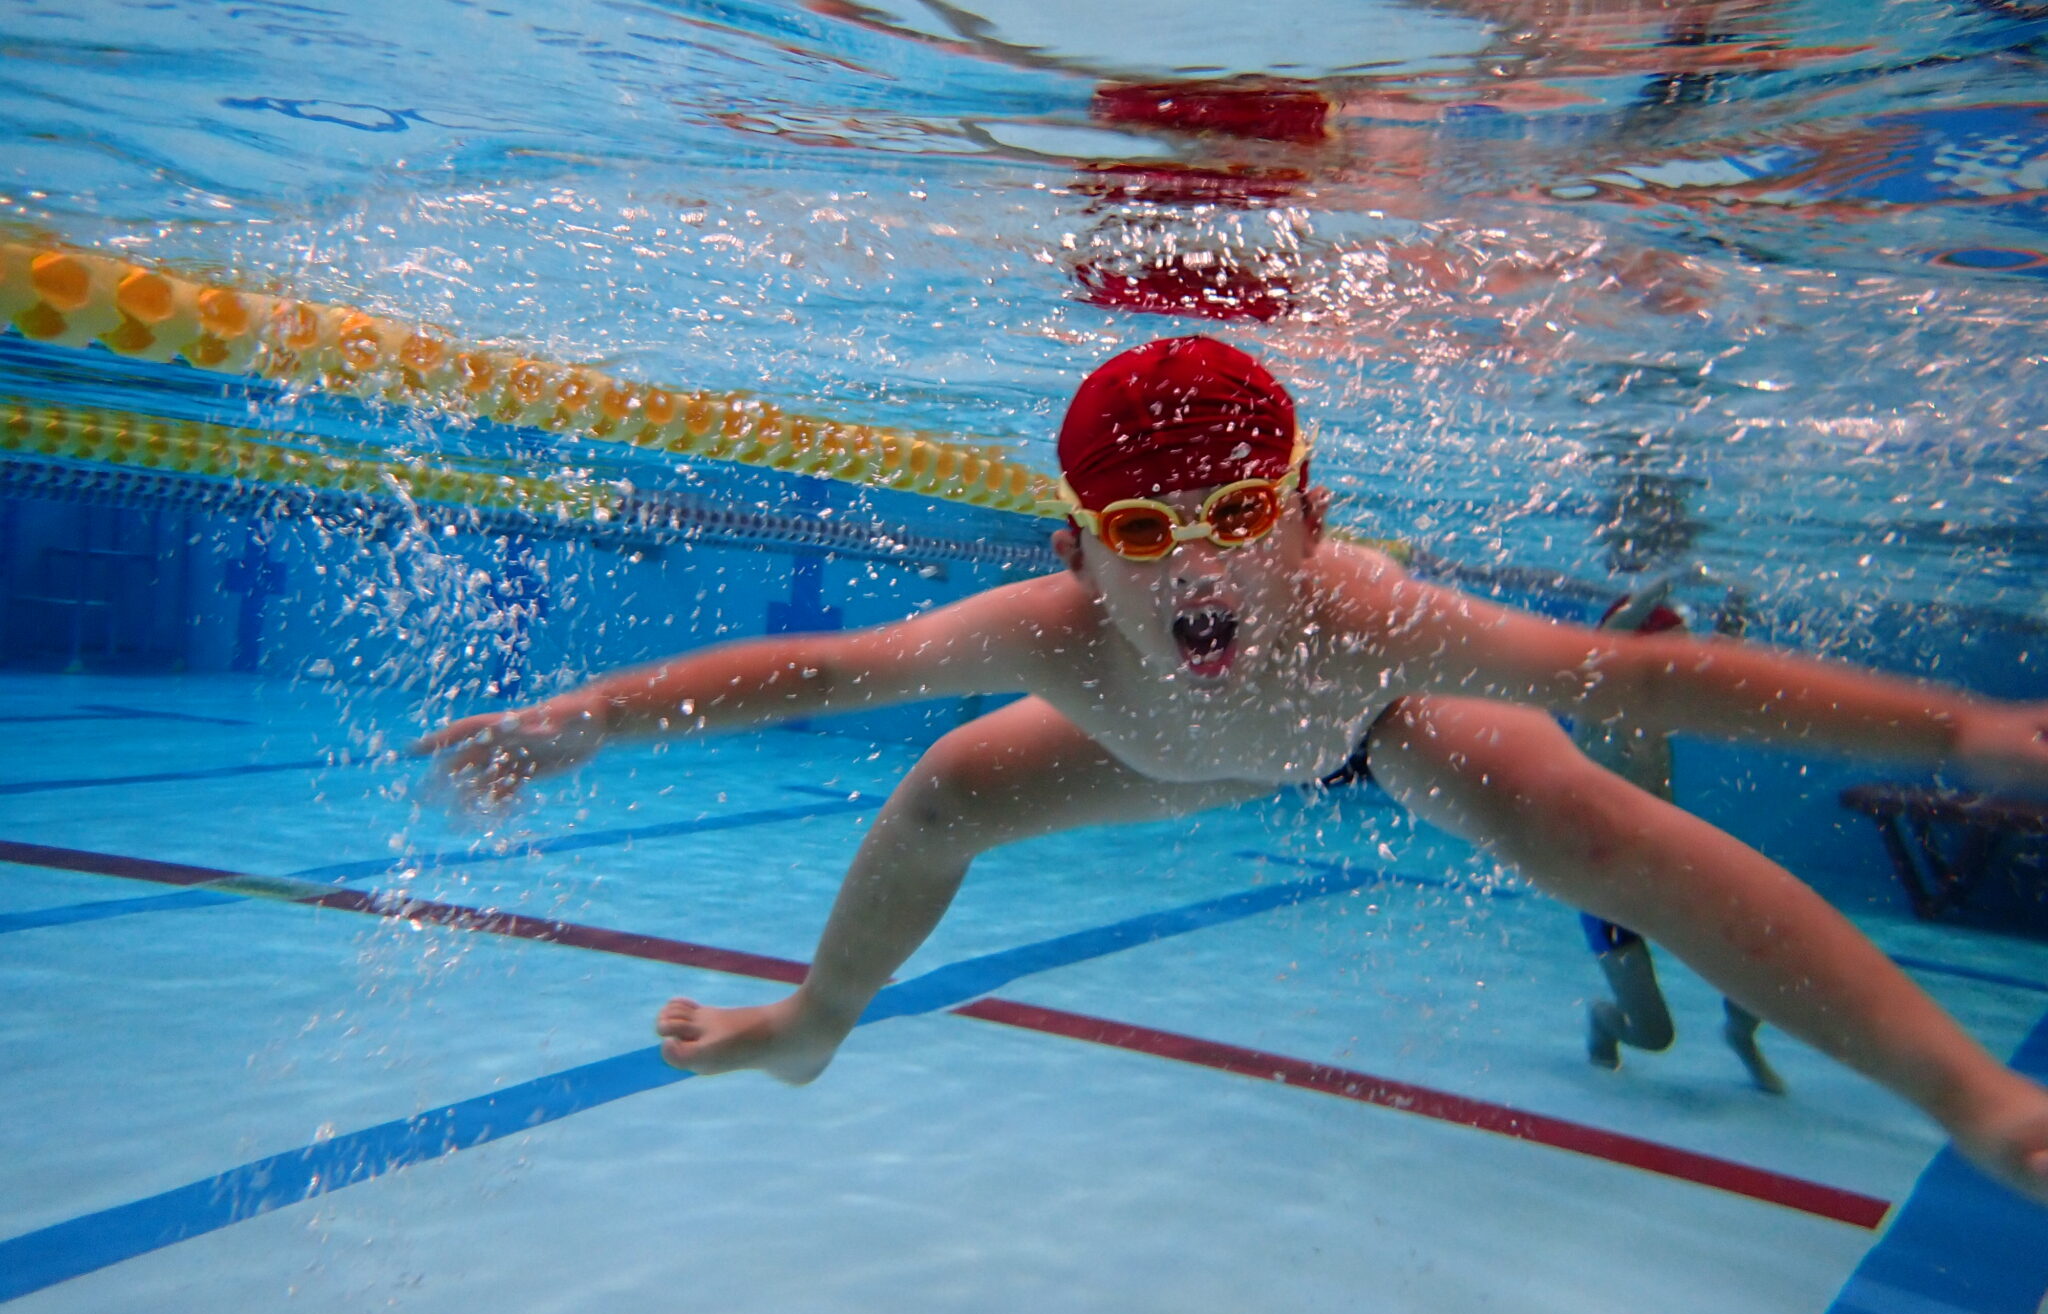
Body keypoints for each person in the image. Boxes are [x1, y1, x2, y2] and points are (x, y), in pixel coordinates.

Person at [415, 335, 2048, 1203]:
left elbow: (1630, 671)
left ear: (1308, 515)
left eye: (1234, 520)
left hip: (1366, 725)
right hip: (1168, 753)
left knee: (1597, 834)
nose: (1191, 569)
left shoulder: (1369, 615)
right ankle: (810, 1027)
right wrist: (574, 723)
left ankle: (1975, 1103)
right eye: (1140, 534)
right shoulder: (1056, 634)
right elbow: (816, 672)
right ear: (1074, 547)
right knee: (945, 795)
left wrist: (1960, 732)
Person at [1575, 589, 1785, 1094]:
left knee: (1763, 962)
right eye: (1675, 654)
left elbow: (1716, 660)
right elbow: (1613, 633)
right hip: (1608, 892)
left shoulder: (1663, 707)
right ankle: (1605, 1023)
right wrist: (1662, 578)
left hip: (1668, 869)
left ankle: (1740, 1035)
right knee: (1652, 1035)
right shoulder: (1597, 703)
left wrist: (1736, 603)